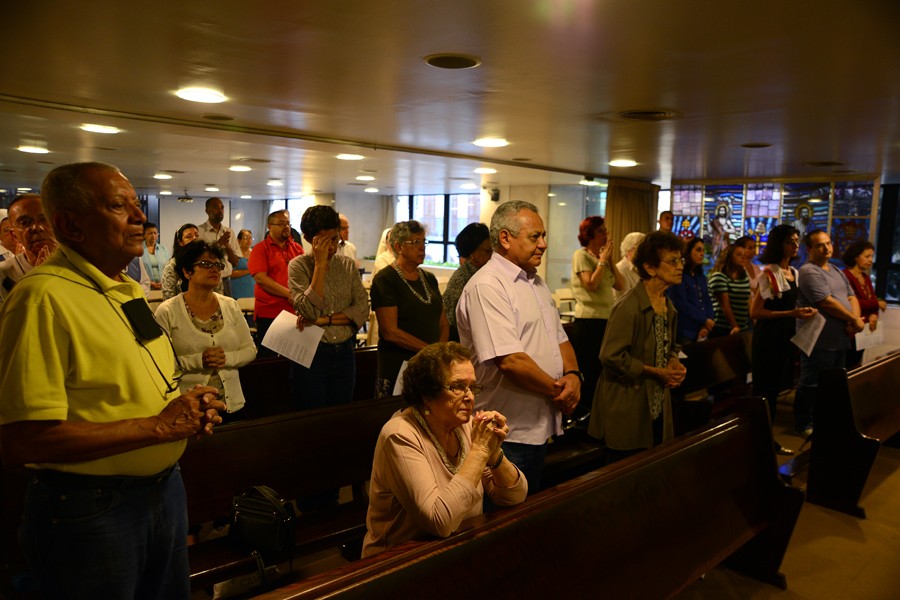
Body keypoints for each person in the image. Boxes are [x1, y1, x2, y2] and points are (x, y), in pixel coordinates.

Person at [0, 162, 225, 599]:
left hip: (163, 490)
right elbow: (22, 440)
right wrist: (158, 426)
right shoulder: (42, 298)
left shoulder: (124, 289)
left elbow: (143, 384)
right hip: (93, 506)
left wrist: (187, 409)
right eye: (119, 207)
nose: (140, 217)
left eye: (136, 205)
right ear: (70, 224)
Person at [457, 201, 581, 492]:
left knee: (529, 518)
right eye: (535, 237)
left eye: (544, 236)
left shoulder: (535, 283)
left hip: (538, 425)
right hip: (505, 433)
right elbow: (510, 360)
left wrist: (574, 376)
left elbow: (560, 339)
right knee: (502, 522)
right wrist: (559, 392)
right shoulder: (488, 286)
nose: (544, 244)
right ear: (505, 238)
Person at [362, 342, 526, 557]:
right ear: (426, 395)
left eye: (472, 387)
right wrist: (479, 450)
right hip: (399, 560)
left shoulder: (465, 426)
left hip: (457, 548)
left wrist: (493, 453)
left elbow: (515, 496)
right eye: (457, 386)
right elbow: (440, 521)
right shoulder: (400, 435)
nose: (470, 397)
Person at [588, 231, 686, 464]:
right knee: (625, 468)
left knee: (653, 464)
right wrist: (655, 371)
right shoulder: (629, 305)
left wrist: (673, 362)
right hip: (627, 400)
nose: (680, 266)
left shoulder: (667, 304)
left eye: (680, 260)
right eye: (672, 261)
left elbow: (671, 345)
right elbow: (610, 356)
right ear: (650, 268)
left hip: (656, 398)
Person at [154, 240, 257, 422]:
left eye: (217, 264)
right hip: (188, 408)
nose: (215, 269)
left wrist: (227, 358)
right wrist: (198, 360)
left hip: (231, 405)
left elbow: (250, 350)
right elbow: (158, 361)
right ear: (187, 272)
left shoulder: (230, 305)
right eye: (205, 264)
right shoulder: (168, 310)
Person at [288, 205, 369, 409]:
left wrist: (324, 320)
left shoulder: (348, 265)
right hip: (311, 350)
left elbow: (361, 310)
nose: (332, 247)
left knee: (341, 415)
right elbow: (309, 311)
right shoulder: (298, 266)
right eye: (325, 241)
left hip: (344, 351)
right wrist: (320, 264)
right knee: (311, 416)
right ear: (308, 238)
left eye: (335, 239)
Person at [750, 225, 817, 454]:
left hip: (786, 336)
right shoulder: (770, 273)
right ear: (779, 244)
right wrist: (791, 314)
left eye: (797, 241)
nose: (795, 245)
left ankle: (766, 439)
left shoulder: (794, 273)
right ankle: (761, 441)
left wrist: (803, 312)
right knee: (765, 391)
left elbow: (791, 306)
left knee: (776, 390)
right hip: (769, 338)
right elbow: (756, 312)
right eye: (790, 241)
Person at [794, 230, 865, 436]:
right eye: (820, 245)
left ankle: (823, 421)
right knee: (811, 383)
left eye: (828, 243)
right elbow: (826, 302)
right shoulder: (809, 271)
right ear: (810, 249)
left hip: (840, 338)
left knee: (832, 385)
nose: (826, 248)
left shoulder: (835, 269)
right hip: (819, 339)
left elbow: (851, 297)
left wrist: (856, 320)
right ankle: (803, 423)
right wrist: (853, 320)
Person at [370, 220, 448, 397]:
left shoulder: (428, 278)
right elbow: (390, 332)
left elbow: (442, 321)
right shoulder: (385, 279)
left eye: (423, 242)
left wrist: (440, 352)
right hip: (399, 364)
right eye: (415, 242)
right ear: (399, 246)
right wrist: (429, 350)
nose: (422, 248)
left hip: (430, 364)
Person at [570, 216, 623, 415]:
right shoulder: (581, 255)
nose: (605, 235)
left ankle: (597, 414)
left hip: (606, 320)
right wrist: (601, 261)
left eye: (605, 231)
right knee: (588, 370)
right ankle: (582, 414)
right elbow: (590, 285)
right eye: (601, 231)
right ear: (589, 234)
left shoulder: (601, 259)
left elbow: (620, 285)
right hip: (588, 321)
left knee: (601, 371)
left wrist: (609, 261)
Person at [248, 209, 304, 351]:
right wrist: (288, 294)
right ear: (269, 227)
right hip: (270, 312)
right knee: (270, 359)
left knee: (293, 357)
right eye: (281, 224)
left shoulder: (297, 249)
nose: (286, 227)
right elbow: (261, 279)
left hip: (294, 312)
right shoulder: (260, 249)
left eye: (288, 223)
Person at [0, 194, 58, 305]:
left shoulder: (77, 266)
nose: (37, 228)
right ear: (14, 235)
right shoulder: (3, 273)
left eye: (44, 219)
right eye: (25, 223)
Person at [841, 239, 887, 368]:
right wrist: (877, 304)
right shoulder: (845, 276)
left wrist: (874, 315)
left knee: (856, 364)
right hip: (850, 330)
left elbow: (871, 300)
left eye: (872, 256)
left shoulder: (865, 277)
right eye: (867, 256)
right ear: (856, 257)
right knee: (846, 365)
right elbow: (852, 303)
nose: (871, 260)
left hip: (864, 331)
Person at [443, 223, 492, 342]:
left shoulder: (481, 273)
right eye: (487, 251)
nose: (492, 256)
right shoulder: (464, 279)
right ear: (472, 254)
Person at [667, 236, 715, 345]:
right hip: (685, 330)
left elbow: (707, 300)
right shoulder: (680, 275)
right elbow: (681, 304)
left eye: (703, 250)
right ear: (688, 252)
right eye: (698, 250)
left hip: (702, 329)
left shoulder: (700, 276)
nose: (702, 254)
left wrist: (708, 321)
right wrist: (704, 320)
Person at [707, 241, 751, 337]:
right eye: (738, 254)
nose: (743, 257)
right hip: (723, 328)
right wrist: (734, 326)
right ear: (729, 257)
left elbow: (748, 301)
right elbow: (725, 306)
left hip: (742, 327)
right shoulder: (719, 277)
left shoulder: (744, 277)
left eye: (744, 255)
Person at [198, 197, 240, 268]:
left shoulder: (229, 232)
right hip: (207, 277)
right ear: (207, 211)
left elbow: (235, 263)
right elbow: (199, 258)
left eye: (222, 208)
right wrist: (219, 244)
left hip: (226, 278)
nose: (220, 211)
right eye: (216, 207)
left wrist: (228, 247)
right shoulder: (199, 231)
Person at [161, 223, 200, 299]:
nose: (194, 238)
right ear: (180, 242)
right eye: (189, 237)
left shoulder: (206, 263)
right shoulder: (172, 265)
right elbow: (168, 297)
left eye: (197, 235)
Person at [614, 231, 645, 300]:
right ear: (629, 250)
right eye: (641, 249)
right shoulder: (620, 269)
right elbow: (620, 300)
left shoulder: (641, 268)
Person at [140, 221, 169, 290]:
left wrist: (164, 282)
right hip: (145, 287)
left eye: (155, 233)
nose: (153, 236)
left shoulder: (163, 249)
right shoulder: (139, 249)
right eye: (150, 233)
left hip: (163, 287)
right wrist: (149, 283)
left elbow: (168, 268)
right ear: (144, 235)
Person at [229, 229, 255, 299]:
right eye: (245, 238)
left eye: (250, 238)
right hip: (238, 290)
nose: (249, 240)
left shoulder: (255, 253)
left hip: (252, 290)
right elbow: (230, 273)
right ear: (239, 240)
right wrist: (249, 270)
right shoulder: (234, 254)